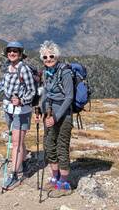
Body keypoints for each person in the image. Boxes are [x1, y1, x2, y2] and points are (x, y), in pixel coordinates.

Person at [0, 41, 36, 190]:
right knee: (18, 140)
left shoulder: (24, 69)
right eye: (10, 51)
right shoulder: (8, 67)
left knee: (16, 143)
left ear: (20, 53)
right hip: (8, 109)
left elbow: (32, 91)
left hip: (22, 111)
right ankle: (22, 164)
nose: (12, 53)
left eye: (15, 51)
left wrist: (21, 100)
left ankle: (15, 174)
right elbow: (3, 85)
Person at [37, 40, 74, 195]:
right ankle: (55, 178)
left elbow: (69, 97)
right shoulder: (46, 72)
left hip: (63, 116)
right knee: (49, 145)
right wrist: (40, 111)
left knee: (61, 147)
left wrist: (56, 117)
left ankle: (65, 184)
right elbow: (45, 93)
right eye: (45, 57)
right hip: (49, 114)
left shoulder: (64, 72)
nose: (48, 59)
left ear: (57, 56)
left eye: (51, 56)